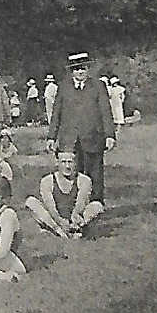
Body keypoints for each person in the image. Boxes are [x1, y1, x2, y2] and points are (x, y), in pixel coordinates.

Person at [46, 52, 116, 203]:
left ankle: (96, 205)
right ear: (71, 71)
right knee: (71, 173)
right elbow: (56, 114)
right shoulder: (63, 87)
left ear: (88, 69)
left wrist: (109, 135)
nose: (80, 72)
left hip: (93, 137)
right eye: (76, 69)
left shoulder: (98, 86)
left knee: (95, 174)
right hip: (69, 139)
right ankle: (74, 206)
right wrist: (52, 137)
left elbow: (106, 111)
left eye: (83, 68)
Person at [25, 150, 106, 237]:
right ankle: (58, 231)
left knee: (97, 205)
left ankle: (76, 230)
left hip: (76, 219)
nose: (67, 166)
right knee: (31, 202)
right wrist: (60, 222)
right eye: (63, 162)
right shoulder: (48, 180)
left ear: (75, 163)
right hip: (55, 220)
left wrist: (74, 220)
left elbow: (80, 204)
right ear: (57, 162)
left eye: (70, 162)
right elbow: (50, 207)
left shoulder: (84, 180)